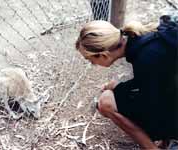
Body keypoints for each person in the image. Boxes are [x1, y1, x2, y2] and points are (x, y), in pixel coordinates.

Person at [75, 16, 178, 149]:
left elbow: (153, 101)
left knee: (106, 102)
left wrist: (118, 90)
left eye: (91, 60)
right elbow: (152, 80)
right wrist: (120, 87)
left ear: (104, 55)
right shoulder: (144, 41)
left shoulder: (146, 58)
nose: (93, 64)